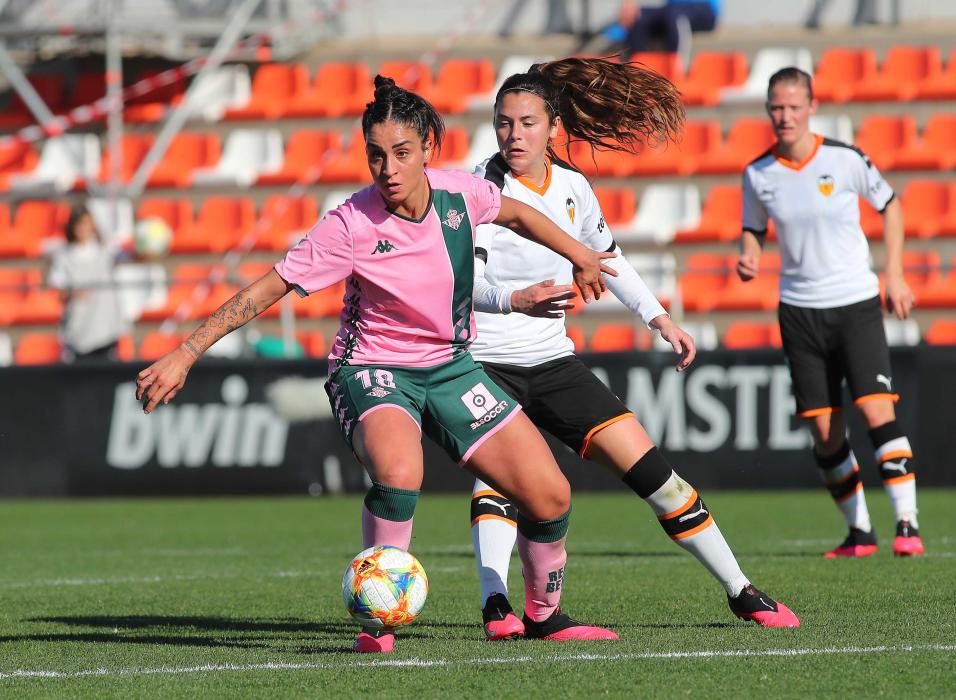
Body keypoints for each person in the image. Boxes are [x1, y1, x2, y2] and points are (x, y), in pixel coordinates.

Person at [135, 75, 622, 654]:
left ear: (427, 151)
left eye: (401, 153)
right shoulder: (348, 224)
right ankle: (377, 624)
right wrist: (188, 350)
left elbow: (519, 214)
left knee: (550, 497)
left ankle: (544, 615)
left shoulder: (460, 195)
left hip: (450, 367)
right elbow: (267, 289)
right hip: (370, 368)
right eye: (375, 154)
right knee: (399, 470)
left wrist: (581, 255)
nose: (387, 168)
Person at [466, 57, 800, 643]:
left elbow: (607, 259)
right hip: (485, 361)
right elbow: (460, 283)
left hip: (553, 362)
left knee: (657, 475)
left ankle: (740, 589)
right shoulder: (477, 191)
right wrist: (514, 299)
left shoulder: (573, 187)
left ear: (554, 127)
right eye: (502, 124)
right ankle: (498, 606)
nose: (512, 135)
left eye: (525, 123)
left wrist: (659, 317)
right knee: (503, 480)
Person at [736, 67, 923, 559]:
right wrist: (750, 252)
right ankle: (859, 532)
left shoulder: (844, 159)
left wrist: (895, 274)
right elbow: (752, 226)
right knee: (824, 429)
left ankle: (907, 523)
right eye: (777, 107)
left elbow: (893, 206)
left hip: (855, 301)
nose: (785, 116)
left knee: (875, 407)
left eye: (795, 107)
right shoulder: (758, 173)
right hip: (799, 310)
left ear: (812, 107)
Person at [47, 204, 128, 362]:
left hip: (106, 331)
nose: (83, 229)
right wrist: (73, 294)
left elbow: (130, 256)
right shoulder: (64, 257)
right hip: (79, 332)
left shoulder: (105, 251)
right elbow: (58, 291)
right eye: (79, 225)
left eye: (86, 224)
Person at [621, 0, 720, 56]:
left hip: (704, 8)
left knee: (675, 15)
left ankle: (676, 66)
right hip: (671, 9)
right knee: (639, 16)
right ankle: (638, 68)